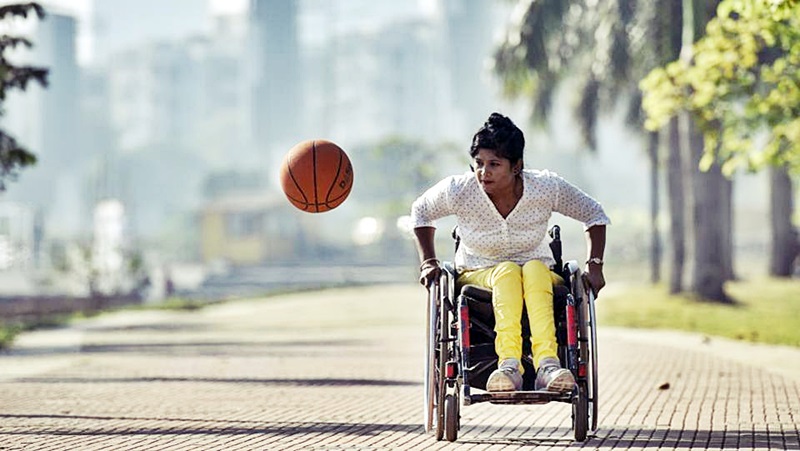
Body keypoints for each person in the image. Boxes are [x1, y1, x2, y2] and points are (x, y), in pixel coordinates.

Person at [410, 112, 610, 393]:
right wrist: (428, 262)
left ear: (517, 166)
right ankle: (509, 365)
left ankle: (548, 365)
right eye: (478, 164)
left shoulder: (545, 187)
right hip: (477, 274)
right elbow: (420, 212)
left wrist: (595, 265)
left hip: (538, 276)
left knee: (533, 268)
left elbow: (594, 214)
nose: (483, 172)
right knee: (508, 271)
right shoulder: (460, 190)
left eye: (494, 164)